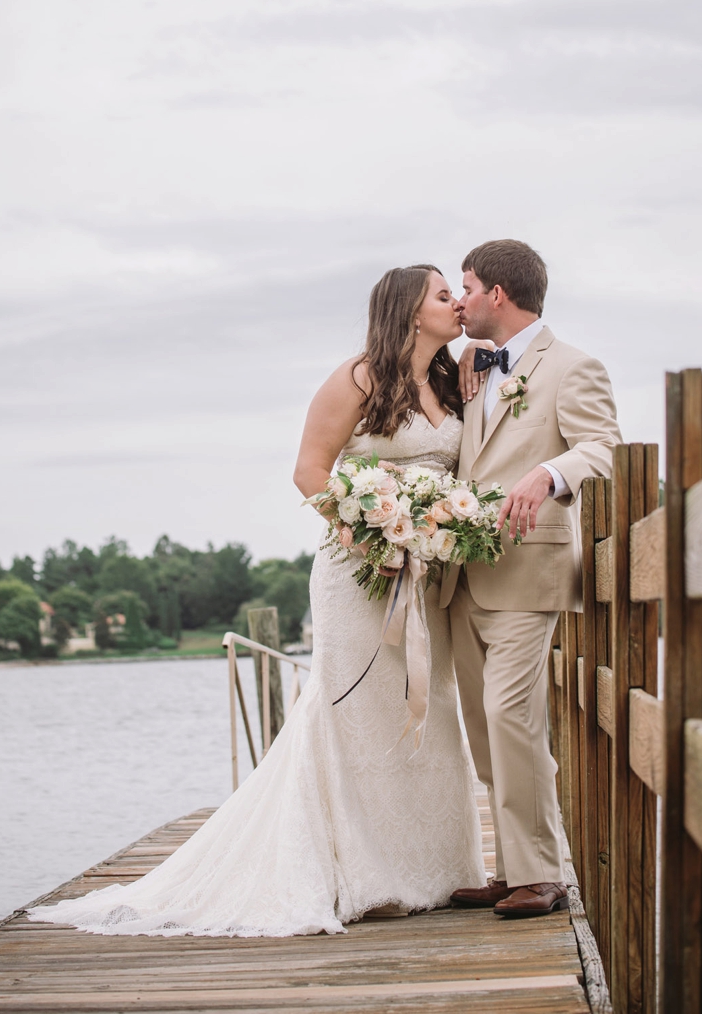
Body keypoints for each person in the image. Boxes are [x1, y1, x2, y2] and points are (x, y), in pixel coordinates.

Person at [29, 265, 484, 939]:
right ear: (411, 313)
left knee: (428, 708)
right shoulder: (359, 378)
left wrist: (429, 534)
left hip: (430, 578)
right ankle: (358, 874)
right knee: (355, 712)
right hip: (359, 575)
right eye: (445, 296)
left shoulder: (453, 379)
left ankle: (434, 871)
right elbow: (309, 469)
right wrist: (374, 539)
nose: (459, 304)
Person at [444, 239, 620, 920]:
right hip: (460, 578)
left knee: (509, 716)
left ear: (496, 293)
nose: (457, 301)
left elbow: (604, 447)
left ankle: (544, 872)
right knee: (483, 732)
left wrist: (549, 474)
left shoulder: (574, 366)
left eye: (464, 287)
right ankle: (510, 865)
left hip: (528, 569)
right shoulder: (470, 368)